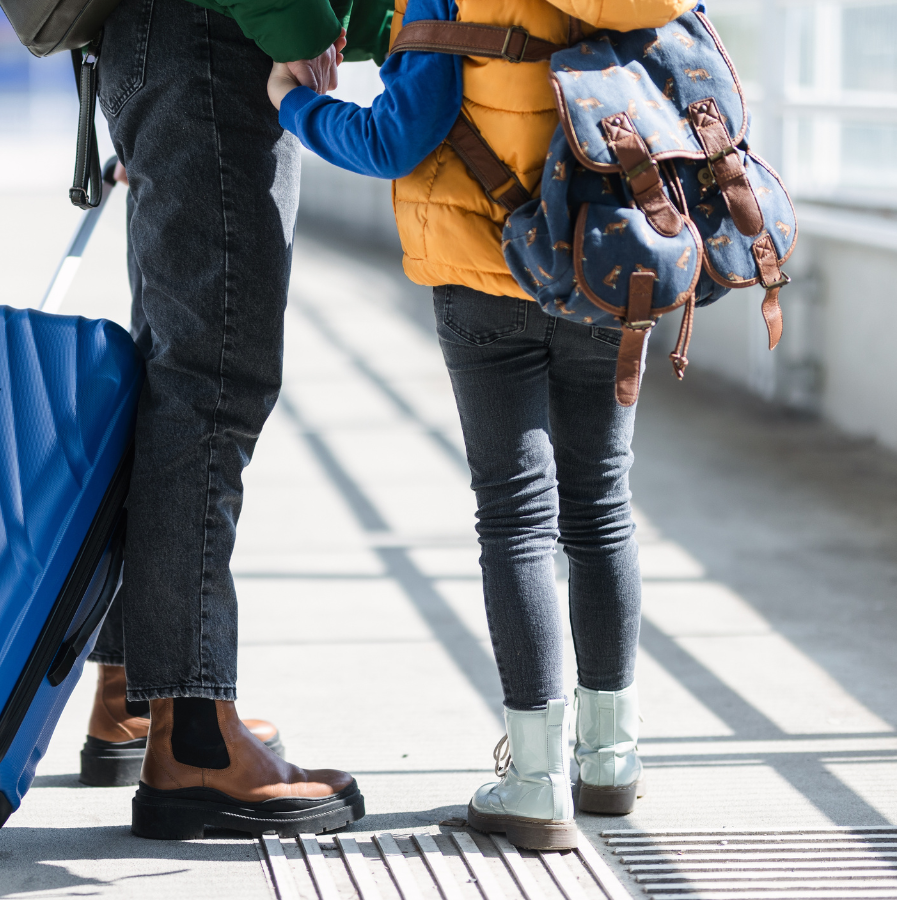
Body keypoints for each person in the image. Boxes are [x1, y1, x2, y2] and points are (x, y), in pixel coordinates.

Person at [267, 0, 693, 850]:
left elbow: (396, 140)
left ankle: (534, 782)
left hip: (485, 273)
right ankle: (611, 759)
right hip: (612, 265)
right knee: (602, 507)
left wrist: (292, 100)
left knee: (516, 516)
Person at [77, 0, 391, 840]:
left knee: (172, 379)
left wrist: (383, 23)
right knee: (210, 388)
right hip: (218, 46)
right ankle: (195, 745)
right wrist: (303, 29)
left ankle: (135, 696)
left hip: (172, 42)